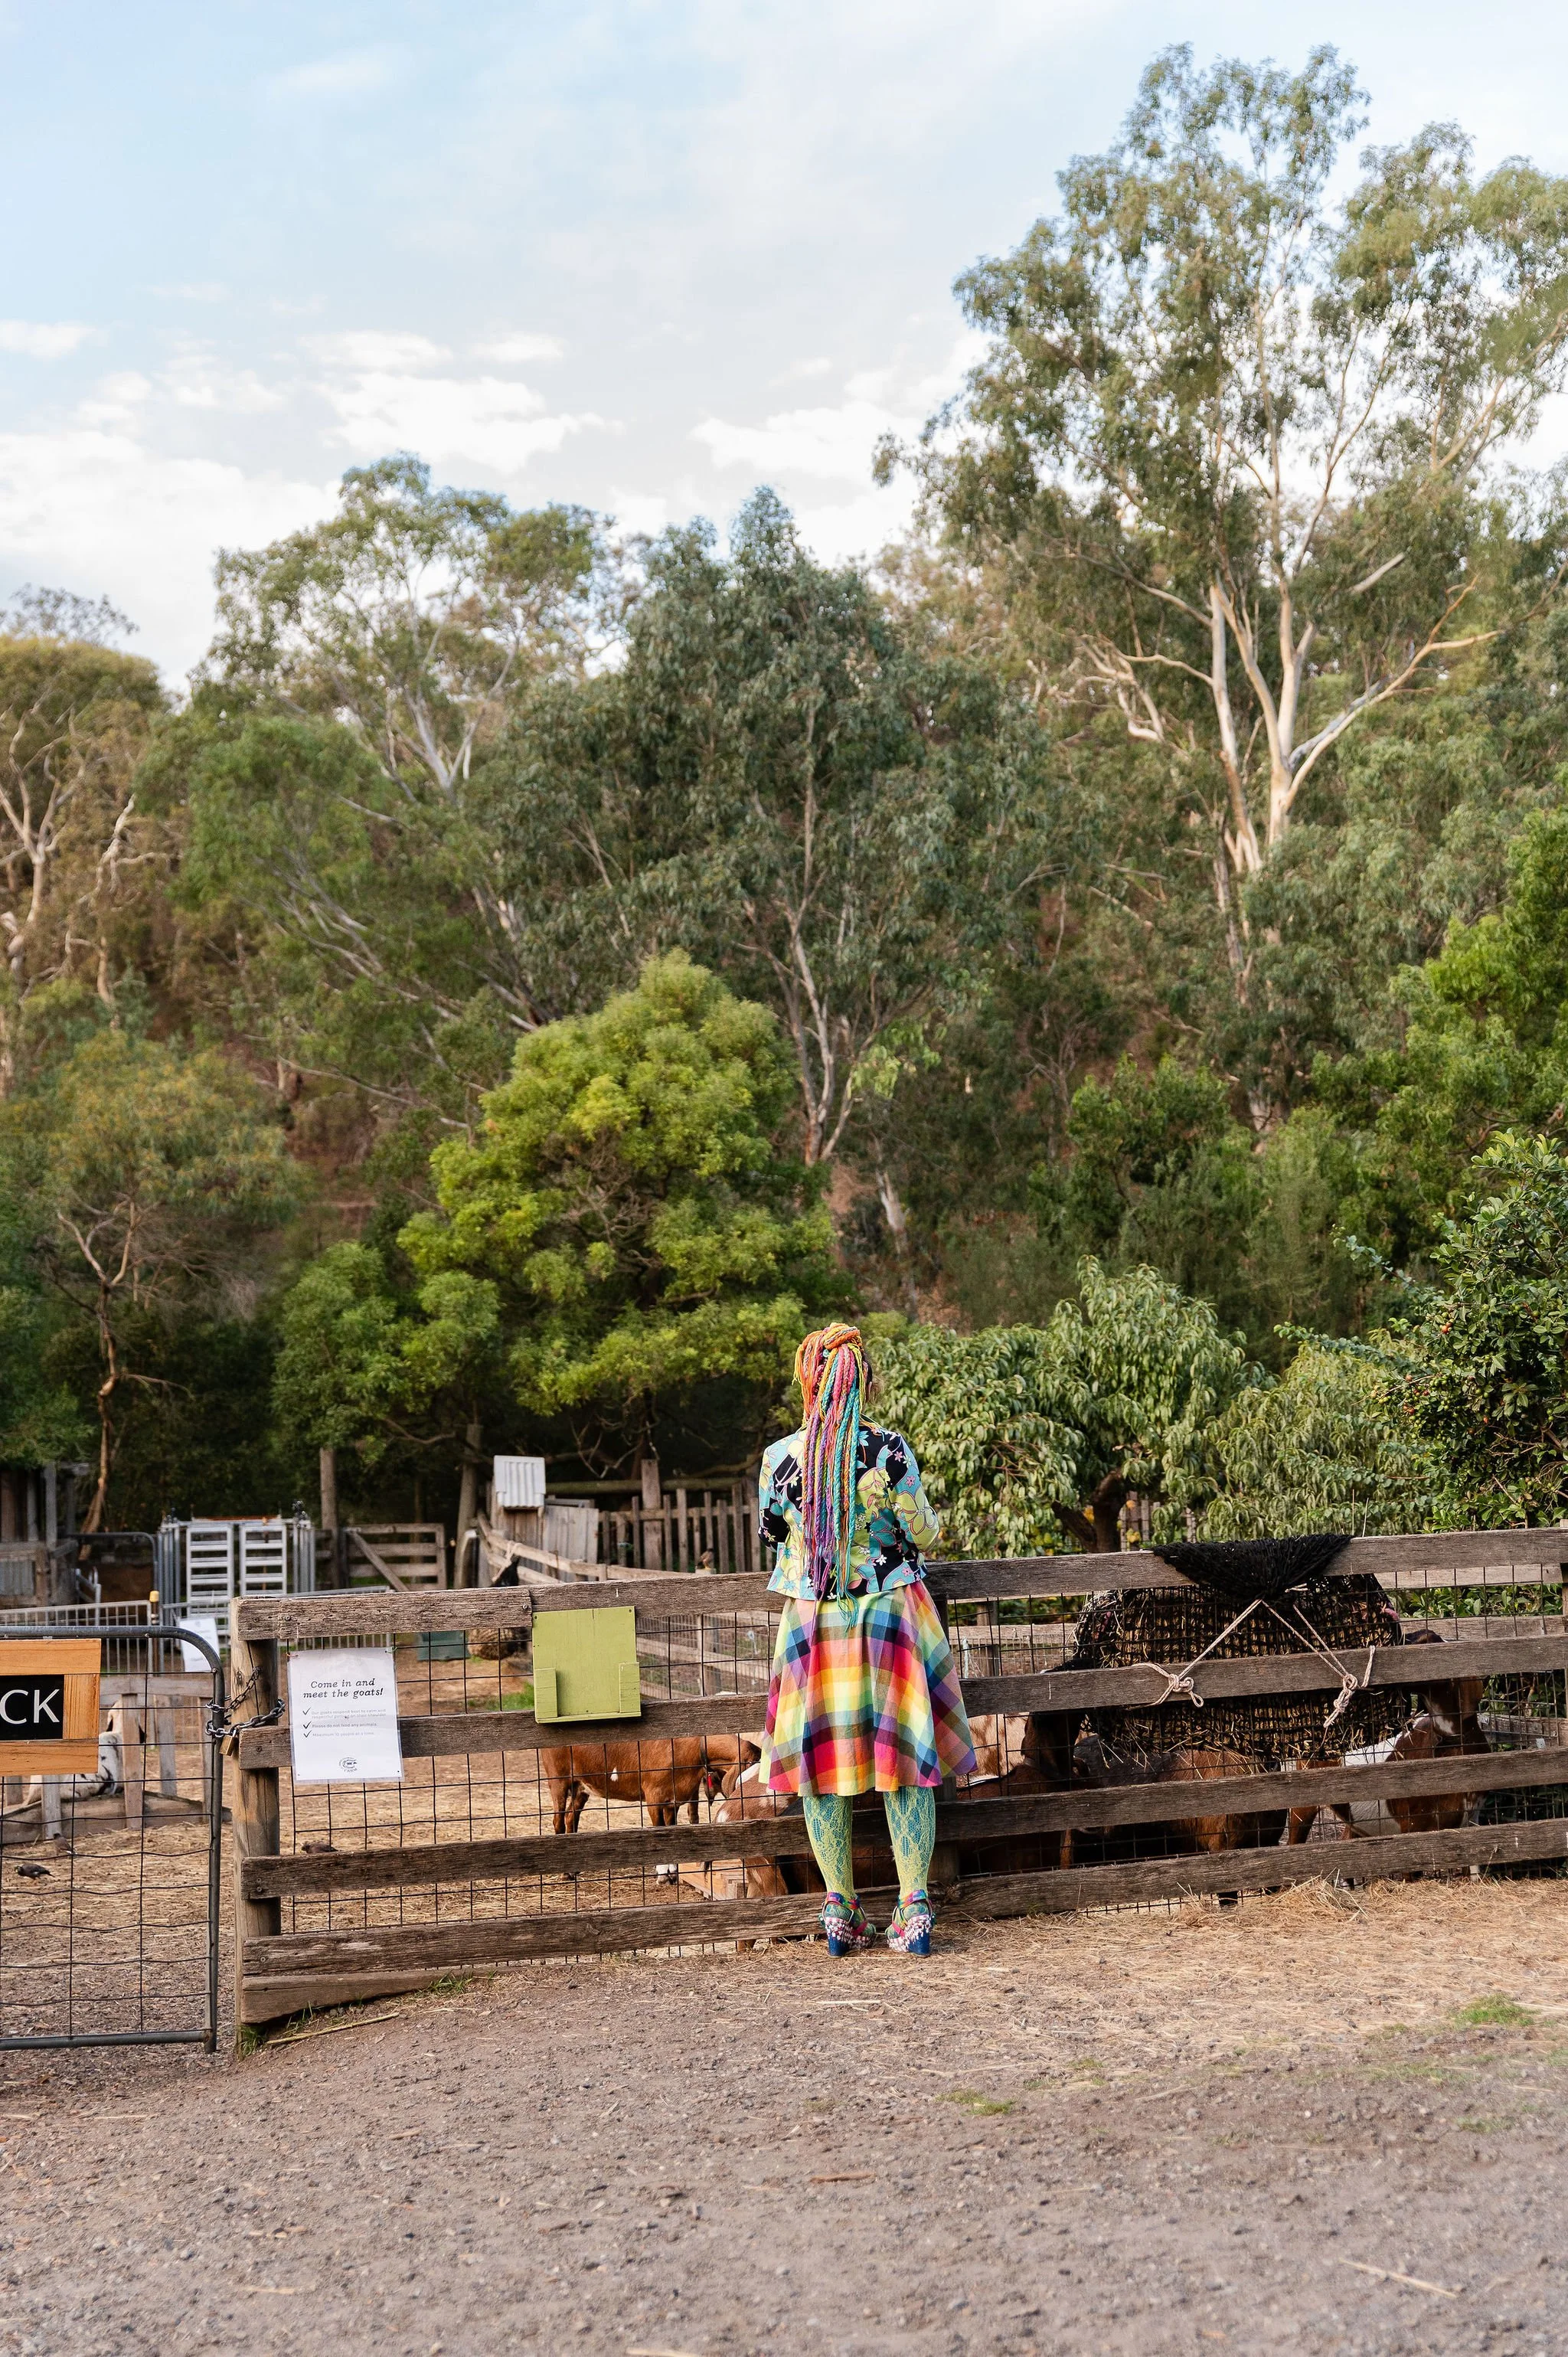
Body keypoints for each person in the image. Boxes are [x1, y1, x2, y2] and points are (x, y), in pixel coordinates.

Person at [757, 1322, 975, 1955]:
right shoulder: (890, 1451)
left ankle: (839, 1911)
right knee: (905, 1762)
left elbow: (775, 1536)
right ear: (864, 1381)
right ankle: (913, 1911)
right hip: (890, 1618)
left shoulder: (780, 1459)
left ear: (811, 1380)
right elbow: (926, 1534)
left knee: (820, 1769)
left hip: (812, 1625)